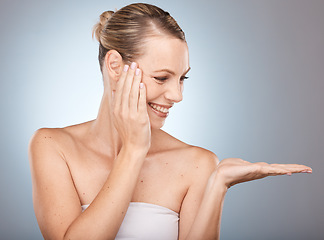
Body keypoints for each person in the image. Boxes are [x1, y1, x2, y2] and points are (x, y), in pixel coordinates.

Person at [28, 3, 312, 240]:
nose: (177, 95)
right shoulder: (53, 146)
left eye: (182, 78)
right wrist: (133, 150)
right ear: (115, 66)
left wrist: (218, 187)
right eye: (162, 78)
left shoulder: (198, 163)